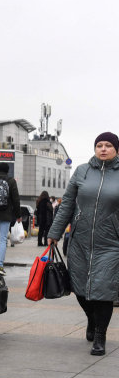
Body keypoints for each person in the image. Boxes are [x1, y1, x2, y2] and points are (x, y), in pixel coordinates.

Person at [48, 132, 119, 356]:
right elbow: (67, 204)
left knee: (104, 289)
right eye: (99, 145)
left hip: (111, 243)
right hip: (79, 240)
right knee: (78, 287)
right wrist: (54, 233)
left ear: (116, 149)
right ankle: (92, 319)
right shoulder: (82, 171)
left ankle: (100, 335)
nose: (103, 149)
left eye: (108, 145)